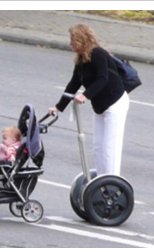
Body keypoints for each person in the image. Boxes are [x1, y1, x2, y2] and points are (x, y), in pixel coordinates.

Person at [49, 24, 129, 176]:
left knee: (110, 147)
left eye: (72, 39)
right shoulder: (81, 60)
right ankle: (102, 180)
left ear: (81, 39)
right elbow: (73, 84)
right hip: (100, 106)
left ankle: (112, 182)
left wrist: (85, 95)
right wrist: (58, 108)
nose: (70, 43)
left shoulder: (97, 54)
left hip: (115, 104)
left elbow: (102, 78)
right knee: (98, 146)